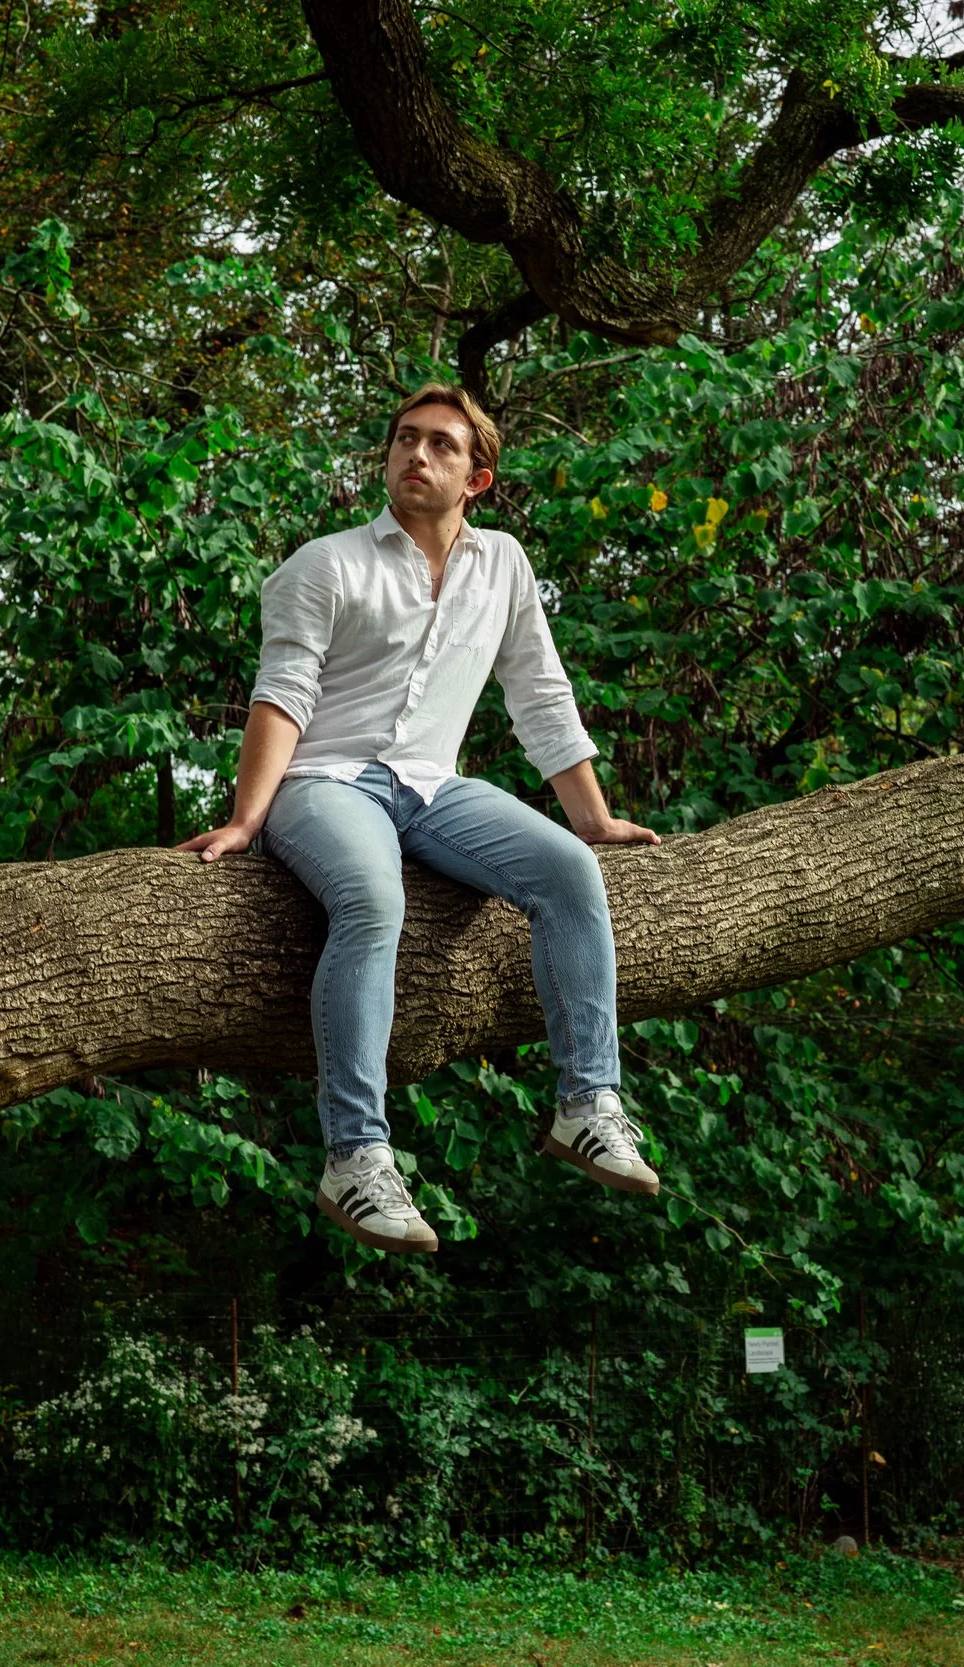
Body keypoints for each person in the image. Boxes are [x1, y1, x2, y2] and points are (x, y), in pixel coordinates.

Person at [177, 383, 664, 1253]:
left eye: (441, 445)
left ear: (476, 478)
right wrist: (248, 818)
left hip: (435, 786)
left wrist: (591, 818)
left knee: (570, 872)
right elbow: (281, 694)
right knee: (375, 901)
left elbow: (540, 694)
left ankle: (588, 1105)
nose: (417, 455)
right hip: (325, 783)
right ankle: (355, 1157)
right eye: (406, 440)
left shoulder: (504, 565)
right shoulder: (324, 565)